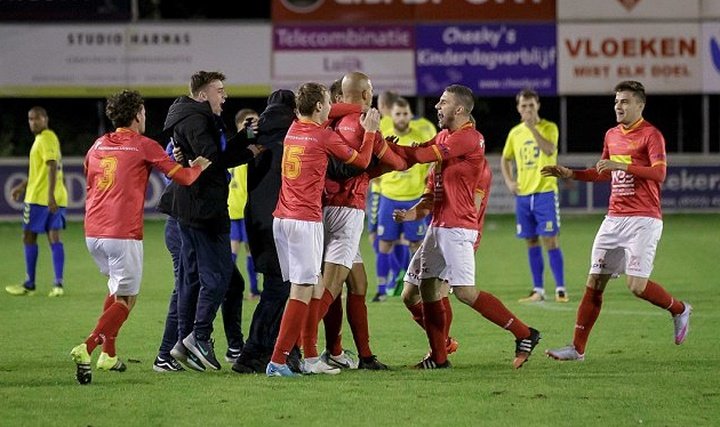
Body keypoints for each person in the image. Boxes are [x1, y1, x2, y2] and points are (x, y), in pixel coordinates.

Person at [389, 85, 541, 369]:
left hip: (458, 228)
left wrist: (381, 146)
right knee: (416, 290)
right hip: (438, 226)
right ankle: (440, 355)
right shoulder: (445, 136)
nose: (437, 105)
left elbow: (422, 155)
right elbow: (421, 155)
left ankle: (524, 333)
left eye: (443, 102)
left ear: (459, 109)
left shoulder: (470, 138)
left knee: (464, 292)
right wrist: (391, 152)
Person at [542, 80, 692, 361]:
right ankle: (577, 348)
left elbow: (659, 174)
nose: (618, 106)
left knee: (636, 286)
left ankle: (680, 309)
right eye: (616, 102)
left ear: (640, 104)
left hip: (643, 220)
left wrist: (620, 165)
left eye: (624, 101)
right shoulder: (611, 134)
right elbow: (603, 171)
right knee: (594, 281)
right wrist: (570, 173)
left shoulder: (651, 135)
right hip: (613, 219)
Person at [69, 90, 211, 385]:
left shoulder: (97, 145)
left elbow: (89, 179)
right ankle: (88, 346)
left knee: (116, 290)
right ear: (136, 115)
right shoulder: (144, 146)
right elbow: (183, 178)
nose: (145, 117)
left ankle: (108, 353)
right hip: (122, 233)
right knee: (127, 299)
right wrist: (198, 166)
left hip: (93, 232)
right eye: (143, 112)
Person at [266, 82, 379, 377]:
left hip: (282, 218)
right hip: (305, 221)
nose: (332, 108)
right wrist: (370, 131)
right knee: (302, 290)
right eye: (328, 102)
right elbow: (364, 161)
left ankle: (312, 357)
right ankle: (278, 361)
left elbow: (332, 110)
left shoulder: (293, 128)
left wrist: (358, 108)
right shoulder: (323, 136)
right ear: (318, 107)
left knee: (310, 286)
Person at [301, 72, 408, 373]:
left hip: (327, 207)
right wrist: (389, 155)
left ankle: (358, 354)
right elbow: (373, 165)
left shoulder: (329, 122)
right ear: (364, 94)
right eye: (370, 90)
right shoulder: (359, 124)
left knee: (357, 282)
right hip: (345, 211)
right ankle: (300, 348)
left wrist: (376, 163)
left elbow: (354, 169)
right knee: (331, 286)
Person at [157, 70, 261, 372]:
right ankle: (193, 341)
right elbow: (213, 157)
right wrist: (250, 151)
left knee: (200, 281)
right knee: (214, 280)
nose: (224, 95)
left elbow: (217, 153)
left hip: (191, 209)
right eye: (219, 90)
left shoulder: (196, 117)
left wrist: (250, 137)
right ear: (203, 95)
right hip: (198, 211)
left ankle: (188, 345)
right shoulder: (195, 119)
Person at [231, 89, 303, 374]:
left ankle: (284, 351)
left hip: (256, 222)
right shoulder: (294, 136)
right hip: (284, 221)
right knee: (280, 289)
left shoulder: (256, 135)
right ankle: (253, 354)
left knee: (281, 288)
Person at [501, 88, 567, 303]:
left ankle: (560, 288)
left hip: (545, 192)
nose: (527, 109)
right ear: (518, 108)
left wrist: (532, 129)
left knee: (551, 240)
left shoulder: (549, 127)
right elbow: (505, 159)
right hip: (523, 196)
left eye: (531, 105)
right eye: (523, 106)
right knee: (530, 240)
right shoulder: (514, 133)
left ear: (537, 105)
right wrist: (510, 181)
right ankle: (538, 290)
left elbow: (549, 150)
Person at [372, 97, 435, 302]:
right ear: (393, 115)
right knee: (384, 244)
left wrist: (428, 183)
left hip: (414, 199)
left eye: (405, 113)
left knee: (417, 246)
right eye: (397, 114)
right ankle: (381, 289)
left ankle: (415, 285)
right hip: (388, 197)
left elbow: (432, 163)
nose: (401, 117)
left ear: (410, 115)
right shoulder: (384, 133)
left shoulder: (421, 136)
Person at [6, 107, 68, 297]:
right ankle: (57, 285)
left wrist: (49, 196)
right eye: (30, 119)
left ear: (45, 119)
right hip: (50, 195)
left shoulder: (47, 137)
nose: (33, 122)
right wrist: (22, 186)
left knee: (29, 237)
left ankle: (30, 284)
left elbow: (51, 166)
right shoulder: (42, 139)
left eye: (36, 118)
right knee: (53, 237)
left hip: (40, 198)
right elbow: (40, 171)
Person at [230, 108, 260, 299]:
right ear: (241, 125)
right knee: (243, 250)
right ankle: (251, 290)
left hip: (235, 207)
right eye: (250, 123)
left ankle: (250, 289)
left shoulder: (231, 146)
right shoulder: (245, 148)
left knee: (244, 249)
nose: (254, 127)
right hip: (241, 206)